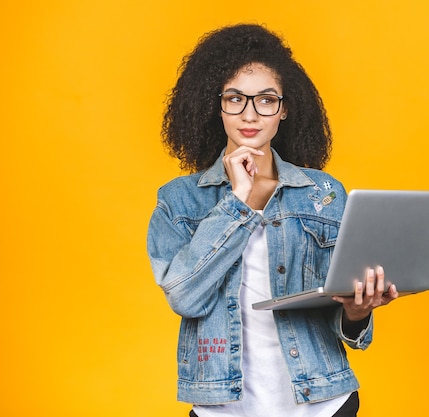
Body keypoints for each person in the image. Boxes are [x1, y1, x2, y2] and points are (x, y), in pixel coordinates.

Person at [147, 23, 399, 417]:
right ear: (217, 106)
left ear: (284, 109)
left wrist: (358, 311)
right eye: (235, 99)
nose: (250, 114)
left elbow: (336, 305)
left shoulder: (324, 193)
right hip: (222, 408)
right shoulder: (178, 200)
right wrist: (238, 201)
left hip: (324, 402)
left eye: (266, 100)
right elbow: (185, 296)